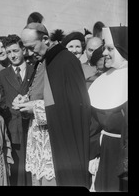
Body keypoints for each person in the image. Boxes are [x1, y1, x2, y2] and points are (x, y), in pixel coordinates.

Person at [16, 22, 91, 188]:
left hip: (59, 141)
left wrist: (35, 108)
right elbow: (42, 93)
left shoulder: (65, 61)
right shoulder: (44, 60)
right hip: (42, 137)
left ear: (45, 39)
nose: (28, 53)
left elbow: (72, 106)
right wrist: (25, 101)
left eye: (31, 47)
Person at [88, 26, 128, 192]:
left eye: (110, 49)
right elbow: (94, 125)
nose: (104, 53)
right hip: (104, 153)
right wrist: (93, 154)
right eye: (105, 48)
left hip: (123, 156)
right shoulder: (102, 79)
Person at [0, 34, 33, 186]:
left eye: (15, 51)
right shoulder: (2, 75)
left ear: (23, 50)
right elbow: (2, 102)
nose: (12, 55)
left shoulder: (35, 70)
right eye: (9, 52)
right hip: (13, 129)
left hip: (31, 127)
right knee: (17, 174)